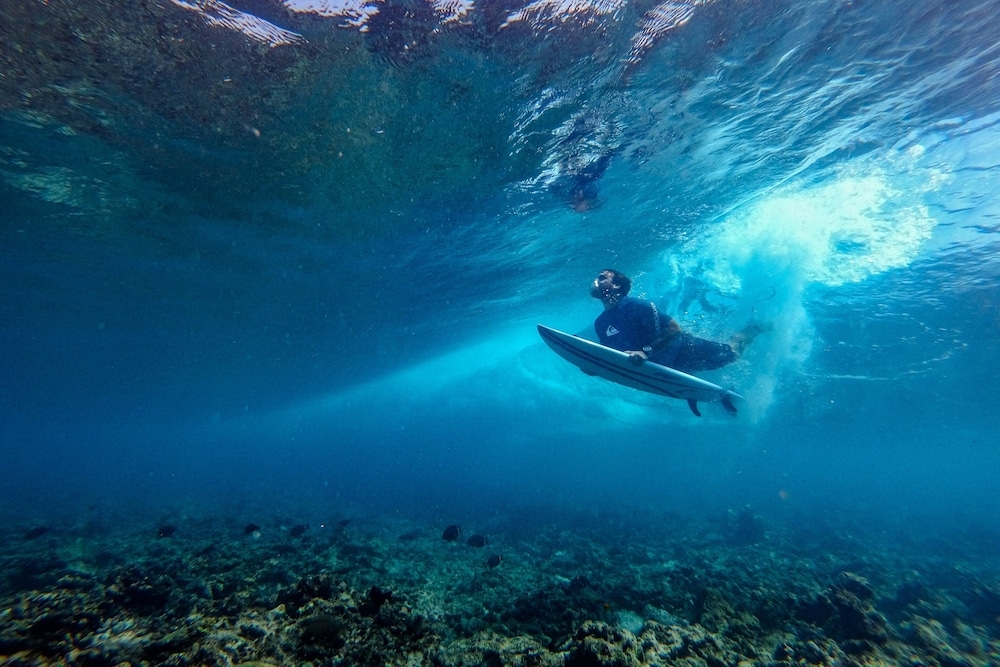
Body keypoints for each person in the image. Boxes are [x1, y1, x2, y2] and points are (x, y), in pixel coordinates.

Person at [591, 269, 764, 374]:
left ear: (616, 286)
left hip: (683, 349)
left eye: (601, 278)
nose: (595, 281)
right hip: (663, 364)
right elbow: (612, 354)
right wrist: (593, 366)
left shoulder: (636, 305)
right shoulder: (600, 323)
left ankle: (754, 327)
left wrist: (645, 352)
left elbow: (674, 330)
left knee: (732, 353)